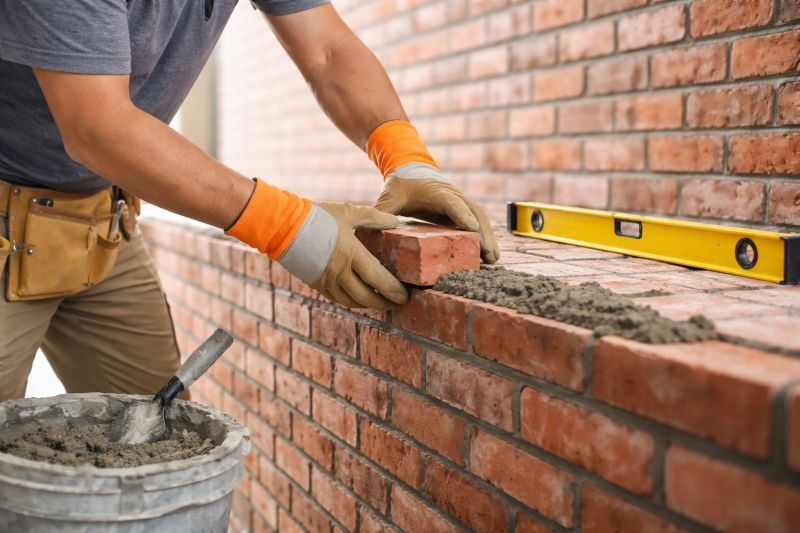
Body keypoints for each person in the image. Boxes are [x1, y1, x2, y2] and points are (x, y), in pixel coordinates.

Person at [0, 0, 499, 401]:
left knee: (155, 443)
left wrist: (408, 161)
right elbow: (97, 127)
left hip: (101, 222)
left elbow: (326, 49)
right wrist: (287, 226)